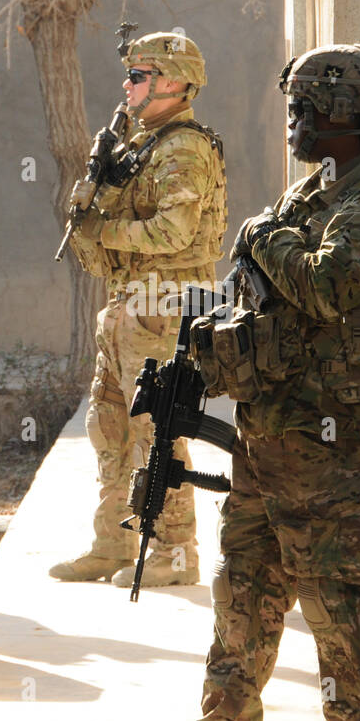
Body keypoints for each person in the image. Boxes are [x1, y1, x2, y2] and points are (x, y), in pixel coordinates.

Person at [192, 43, 360, 721]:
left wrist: (263, 235)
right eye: (292, 105)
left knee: (339, 608)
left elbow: (325, 287)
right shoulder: (310, 193)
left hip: (330, 452)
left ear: (348, 116)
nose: (292, 119)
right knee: (243, 594)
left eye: (305, 108)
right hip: (264, 438)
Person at [53, 31, 228, 589]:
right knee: (109, 426)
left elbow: (173, 232)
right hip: (129, 303)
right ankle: (113, 543)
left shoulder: (183, 148)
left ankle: (176, 554)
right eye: (129, 75)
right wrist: (87, 210)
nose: (127, 86)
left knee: (157, 428)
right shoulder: (138, 144)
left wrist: (104, 228)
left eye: (139, 75)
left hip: (165, 306)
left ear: (174, 83)